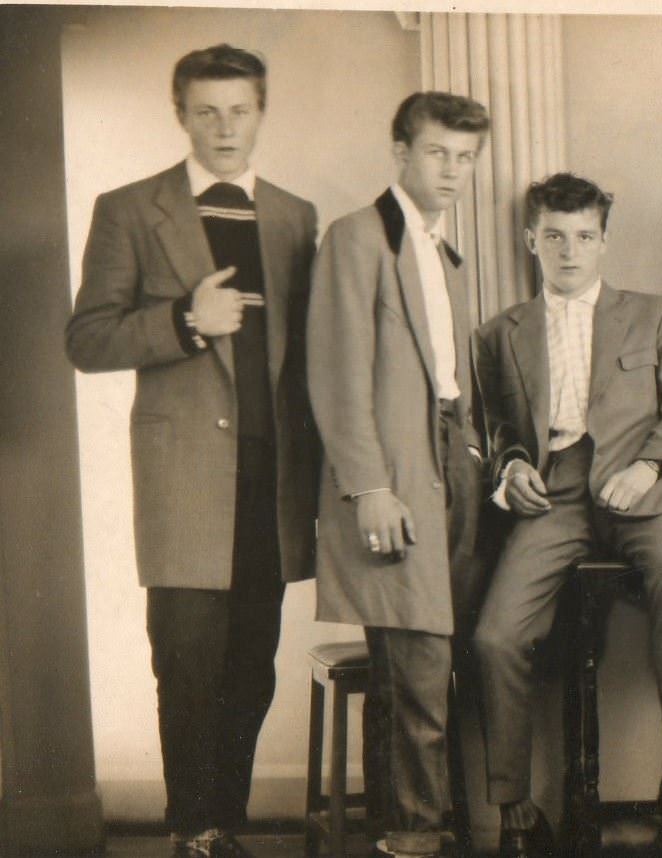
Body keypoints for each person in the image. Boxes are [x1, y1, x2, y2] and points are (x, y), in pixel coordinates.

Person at [65, 44, 318, 858]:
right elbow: (87, 337)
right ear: (180, 114)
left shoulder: (292, 216)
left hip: (270, 479)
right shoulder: (131, 208)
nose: (224, 128)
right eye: (206, 111)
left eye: (239, 110)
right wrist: (182, 323)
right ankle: (192, 829)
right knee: (186, 665)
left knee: (251, 669)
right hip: (183, 481)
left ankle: (227, 830)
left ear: (261, 113)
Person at [472, 173, 662, 857]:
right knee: (496, 634)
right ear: (531, 241)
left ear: (604, 242)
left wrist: (648, 467)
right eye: (554, 236)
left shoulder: (653, 313)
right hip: (557, 494)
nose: (569, 252)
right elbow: (497, 432)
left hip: (648, 483)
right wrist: (514, 467)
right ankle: (513, 805)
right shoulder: (499, 334)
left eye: (583, 237)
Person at [307, 91, 489, 858]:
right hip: (393, 470)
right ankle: (416, 834)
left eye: (465, 157)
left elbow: (448, 375)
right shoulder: (357, 237)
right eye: (438, 153)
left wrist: (473, 452)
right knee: (417, 659)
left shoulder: (439, 248)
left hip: (449, 458)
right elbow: (338, 373)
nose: (452, 170)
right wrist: (368, 486)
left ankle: (402, 827)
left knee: (429, 657)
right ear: (401, 153)